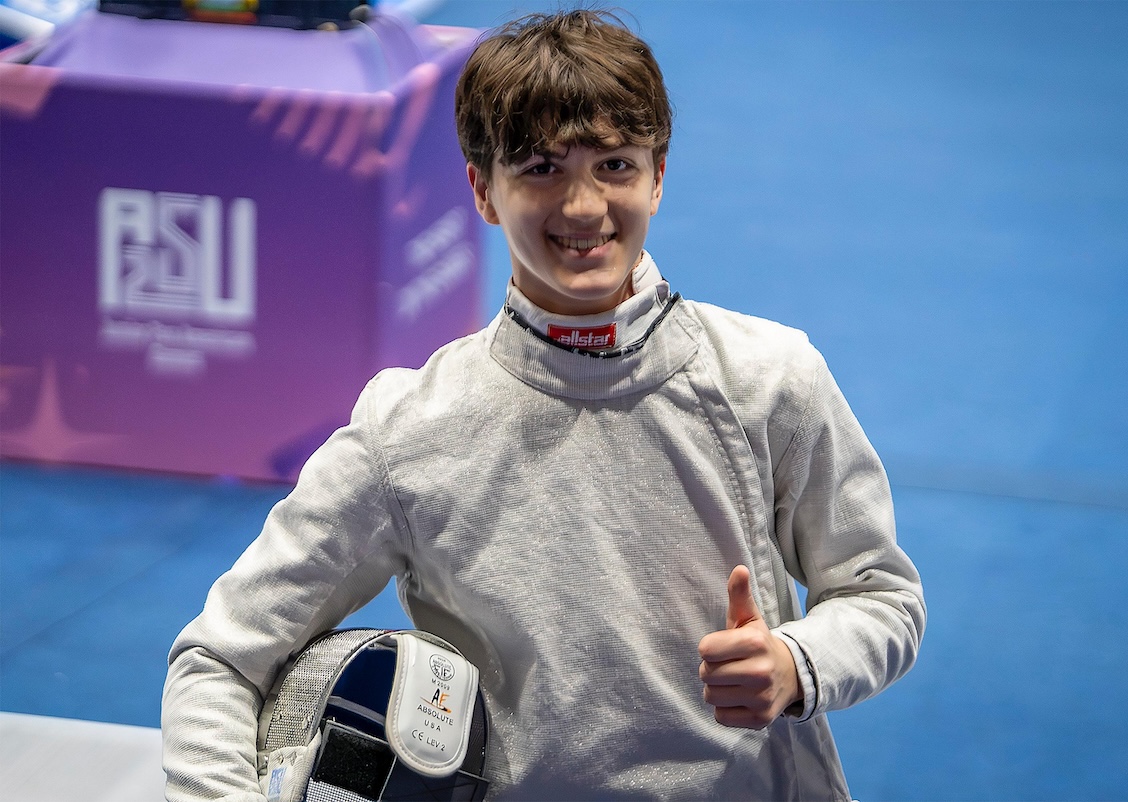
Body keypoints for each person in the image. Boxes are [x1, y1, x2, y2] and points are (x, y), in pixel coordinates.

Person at [162, 9, 925, 801]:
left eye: (616, 166)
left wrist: (798, 666)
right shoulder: (408, 429)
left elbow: (881, 595)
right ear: (482, 190)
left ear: (659, 176)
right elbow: (220, 658)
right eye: (539, 168)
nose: (585, 206)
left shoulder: (768, 378)